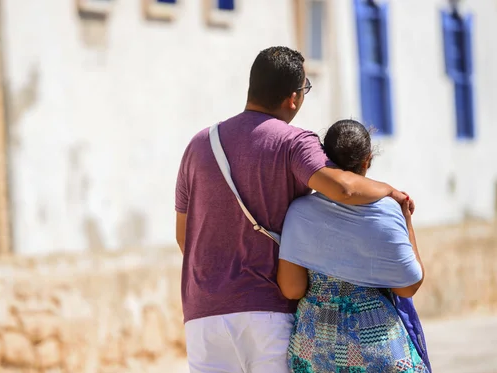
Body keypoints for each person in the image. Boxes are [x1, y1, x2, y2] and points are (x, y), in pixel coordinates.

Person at [175, 46, 412, 373]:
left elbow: (183, 237)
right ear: (293, 98)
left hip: (204, 314)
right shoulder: (294, 142)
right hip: (268, 310)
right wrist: (389, 191)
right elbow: (342, 189)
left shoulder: (200, 144)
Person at [277, 119, 428, 373]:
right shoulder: (388, 210)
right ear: (367, 160)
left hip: (314, 348)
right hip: (378, 346)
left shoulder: (299, 211)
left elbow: (292, 289)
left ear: (325, 157)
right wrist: (407, 220)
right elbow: (408, 286)